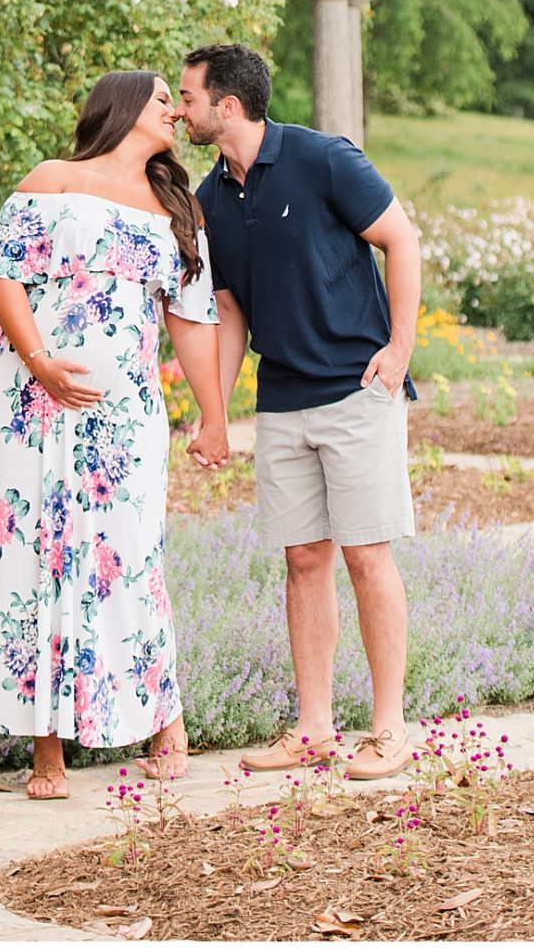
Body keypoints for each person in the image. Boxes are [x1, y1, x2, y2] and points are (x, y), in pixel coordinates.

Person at [0, 70, 230, 800]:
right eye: (161, 100)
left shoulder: (177, 208)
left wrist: (213, 417)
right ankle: (45, 750)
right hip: (28, 402)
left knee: (130, 557)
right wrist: (41, 363)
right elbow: (2, 275)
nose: (176, 110)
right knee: (33, 561)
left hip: (124, 419)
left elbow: (193, 321)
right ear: (120, 110)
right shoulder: (53, 179)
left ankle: (163, 717)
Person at [178, 42, 422, 782]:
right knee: (302, 560)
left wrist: (401, 348)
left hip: (357, 390)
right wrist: (214, 414)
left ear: (227, 106)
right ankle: (314, 728)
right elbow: (226, 313)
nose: (180, 109)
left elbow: (400, 239)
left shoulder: (324, 159)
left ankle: (388, 730)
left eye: (188, 97)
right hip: (282, 402)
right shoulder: (210, 200)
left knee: (366, 555)